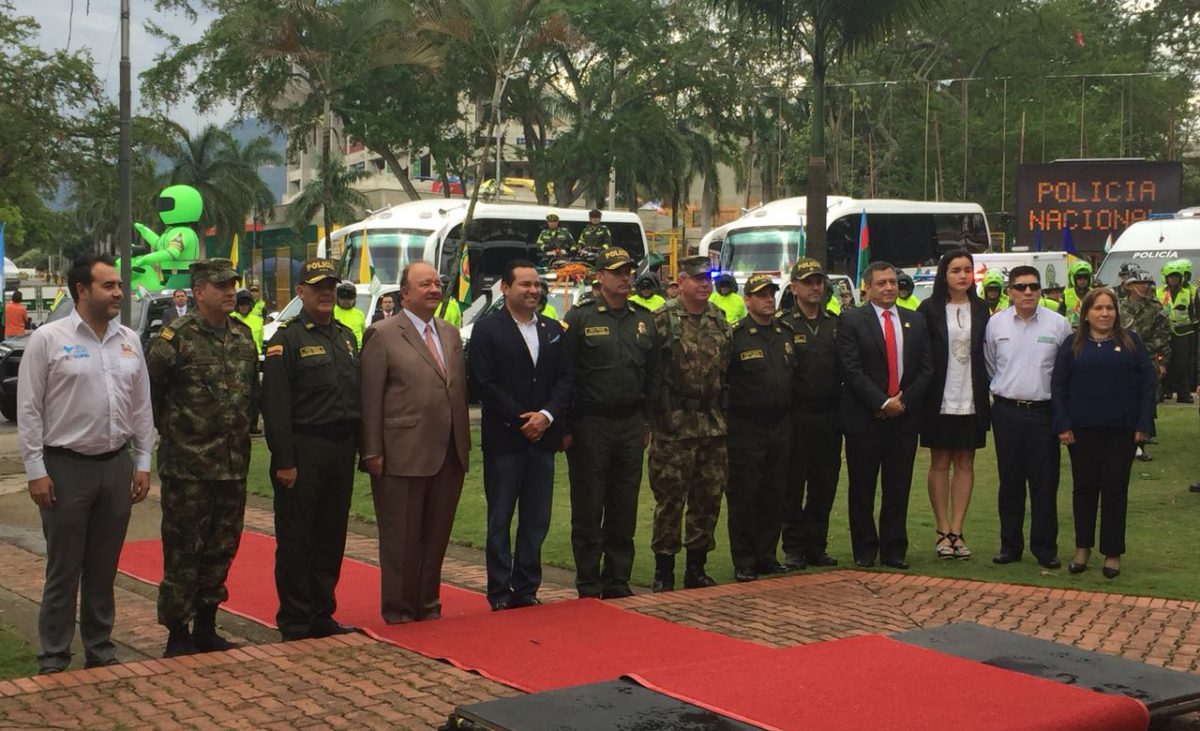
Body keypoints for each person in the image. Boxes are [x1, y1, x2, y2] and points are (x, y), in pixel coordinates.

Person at [17, 254, 154, 674]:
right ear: (82, 290)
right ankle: (55, 654)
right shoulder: (49, 339)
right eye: (108, 285)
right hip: (65, 468)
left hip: (115, 466)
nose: (118, 292)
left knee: (103, 566)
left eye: (118, 285)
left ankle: (100, 647)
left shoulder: (128, 339)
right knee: (64, 568)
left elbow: (141, 407)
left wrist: (143, 461)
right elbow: (29, 409)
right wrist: (36, 471)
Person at [147, 258, 258, 656]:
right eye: (220, 285)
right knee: (183, 552)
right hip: (188, 468)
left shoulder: (243, 337)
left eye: (232, 283)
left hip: (232, 466)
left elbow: (251, 399)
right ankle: (177, 632)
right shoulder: (174, 339)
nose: (230, 291)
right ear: (198, 292)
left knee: (221, 547)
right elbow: (149, 395)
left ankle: (207, 626)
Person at [360, 261, 469, 623]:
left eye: (437, 283)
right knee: (402, 538)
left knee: (436, 537)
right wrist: (372, 450)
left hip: (449, 451)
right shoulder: (383, 333)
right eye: (425, 284)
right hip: (401, 452)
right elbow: (370, 397)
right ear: (404, 293)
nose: (434, 289)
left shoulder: (451, 333)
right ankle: (400, 608)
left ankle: (428, 604)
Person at [261, 259, 361, 640]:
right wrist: (284, 460)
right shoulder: (286, 339)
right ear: (300, 292)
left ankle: (322, 612)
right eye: (317, 287)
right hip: (304, 449)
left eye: (331, 287)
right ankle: (296, 617)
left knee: (331, 535)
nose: (326, 294)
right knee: (297, 537)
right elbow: (275, 406)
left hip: (340, 448)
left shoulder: (346, 336)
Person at [468, 259, 573, 611]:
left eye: (536, 285)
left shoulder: (551, 328)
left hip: (543, 439)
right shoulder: (487, 329)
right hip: (505, 440)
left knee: (536, 518)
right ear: (505, 288)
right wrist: (519, 419)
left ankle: (526, 587)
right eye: (525, 284)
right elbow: (483, 382)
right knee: (501, 518)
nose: (532, 291)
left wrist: (546, 416)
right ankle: (499, 591)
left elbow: (565, 378)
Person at [563, 247, 659, 599]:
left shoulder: (644, 319)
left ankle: (617, 579)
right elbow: (567, 376)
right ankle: (588, 582)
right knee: (588, 506)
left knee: (624, 504)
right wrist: (568, 427)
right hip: (591, 424)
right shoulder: (580, 318)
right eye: (618, 272)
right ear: (600, 277)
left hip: (630, 423)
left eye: (629, 271)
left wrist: (647, 422)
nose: (626, 278)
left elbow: (653, 376)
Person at [1052, 288, 1155, 579]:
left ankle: (1112, 553)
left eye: (1109, 308)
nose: (1105, 313)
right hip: (1081, 431)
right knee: (1084, 489)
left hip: (1121, 431)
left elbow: (1147, 384)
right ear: (1086, 313)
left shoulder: (1131, 342)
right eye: (1098, 308)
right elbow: (1058, 387)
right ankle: (1082, 548)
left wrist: (1143, 424)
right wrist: (1062, 424)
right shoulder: (1072, 344)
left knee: (1114, 489)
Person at [837, 261, 932, 569]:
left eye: (892, 281)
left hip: (904, 420)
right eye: (882, 283)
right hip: (865, 419)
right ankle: (865, 550)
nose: (890, 287)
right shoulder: (851, 320)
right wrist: (881, 401)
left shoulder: (915, 321)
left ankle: (894, 550)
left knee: (898, 488)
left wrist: (903, 402)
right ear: (867, 288)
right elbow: (851, 370)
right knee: (862, 488)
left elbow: (926, 369)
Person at [650, 255, 732, 591]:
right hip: (674, 424)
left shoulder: (719, 318)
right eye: (697, 278)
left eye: (708, 279)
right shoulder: (661, 319)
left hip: (712, 423)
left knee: (707, 499)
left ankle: (696, 568)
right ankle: (663, 571)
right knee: (670, 500)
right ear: (680, 281)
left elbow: (726, 370)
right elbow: (651, 373)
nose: (704, 284)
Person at [984, 265, 1072, 569]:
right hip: (1007, 412)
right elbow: (990, 366)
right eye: (1020, 287)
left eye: (1034, 287)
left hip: (1044, 414)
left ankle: (1045, 548)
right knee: (1010, 482)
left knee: (1045, 483)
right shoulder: (995, 324)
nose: (1028, 293)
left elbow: (1065, 374)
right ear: (1009, 291)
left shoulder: (1059, 325)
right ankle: (1010, 546)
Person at [916, 250, 991, 561]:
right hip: (939, 398)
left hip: (972, 397)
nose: (962, 275)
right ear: (944, 275)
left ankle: (958, 530)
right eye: (956, 270)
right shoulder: (929, 309)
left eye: (967, 270)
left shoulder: (983, 308)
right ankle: (942, 529)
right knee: (940, 462)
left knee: (965, 462)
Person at [725, 273, 792, 581]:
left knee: (775, 493)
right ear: (747, 300)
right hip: (746, 426)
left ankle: (767, 554)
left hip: (780, 425)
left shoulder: (785, 332)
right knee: (745, 495)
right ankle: (744, 559)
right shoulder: (736, 335)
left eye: (771, 293)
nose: (768, 299)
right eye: (761, 294)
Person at [777, 259, 842, 569]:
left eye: (819, 281)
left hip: (828, 417)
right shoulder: (784, 324)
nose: (815, 287)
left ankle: (816, 545)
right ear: (794, 288)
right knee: (792, 483)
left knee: (824, 484)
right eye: (808, 282)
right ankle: (792, 547)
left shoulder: (834, 323)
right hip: (795, 416)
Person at [1120, 268, 1170, 461]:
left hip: (1146, 359)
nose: (1146, 287)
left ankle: (1139, 444)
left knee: (1145, 400)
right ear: (1130, 286)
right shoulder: (1118, 306)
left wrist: (1162, 362)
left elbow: (1163, 337)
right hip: (1121, 360)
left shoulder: (1156, 308)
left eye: (1148, 284)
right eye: (1142, 284)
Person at [1157, 259, 1196, 404]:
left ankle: (1183, 394)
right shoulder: (1158, 292)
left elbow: (1193, 314)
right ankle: (1162, 392)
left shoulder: (1188, 293)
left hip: (1183, 333)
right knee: (1162, 362)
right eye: (1171, 277)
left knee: (1182, 364)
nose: (1174, 279)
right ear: (1166, 278)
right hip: (1163, 333)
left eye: (1176, 277)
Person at [231, 288, 265, 435]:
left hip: (253, 361)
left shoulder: (258, 320)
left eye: (246, 304)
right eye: (241, 304)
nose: (244, 307)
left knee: (255, 395)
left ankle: (253, 424)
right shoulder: (231, 318)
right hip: (235, 360)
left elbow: (260, 341)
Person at [1063, 260, 1094, 329]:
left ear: (1089, 279)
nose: (1082, 281)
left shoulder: (1094, 294)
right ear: (1074, 279)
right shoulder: (1066, 294)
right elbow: (1059, 315)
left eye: (1085, 277)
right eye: (1079, 278)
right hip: (1071, 331)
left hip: (1090, 330)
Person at [333, 282, 366, 347]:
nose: (346, 300)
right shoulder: (331, 311)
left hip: (357, 351)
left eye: (349, 298)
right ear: (337, 298)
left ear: (354, 298)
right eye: (343, 298)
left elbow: (364, 334)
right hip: (338, 349)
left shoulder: (359, 314)